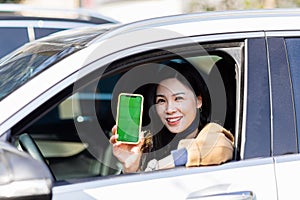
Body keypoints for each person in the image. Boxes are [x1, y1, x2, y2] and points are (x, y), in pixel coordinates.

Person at [109, 59, 234, 173]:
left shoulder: (211, 132)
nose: (169, 109)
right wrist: (130, 167)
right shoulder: (148, 146)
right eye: (161, 101)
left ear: (198, 101)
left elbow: (219, 147)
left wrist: (158, 167)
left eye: (178, 98)